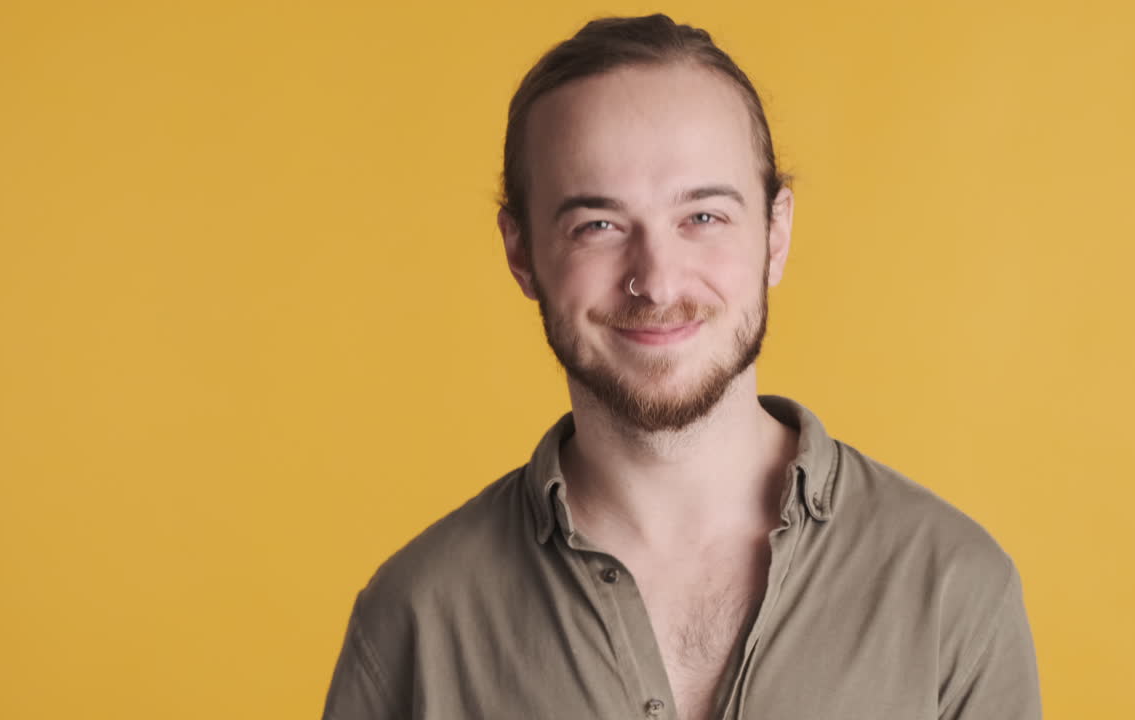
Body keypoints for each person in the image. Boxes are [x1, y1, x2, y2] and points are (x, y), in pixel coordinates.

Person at [322, 13, 1041, 720]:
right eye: (597, 226)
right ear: (521, 253)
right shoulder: (415, 616)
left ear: (776, 233)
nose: (658, 283)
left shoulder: (953, 588)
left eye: (703, 217)